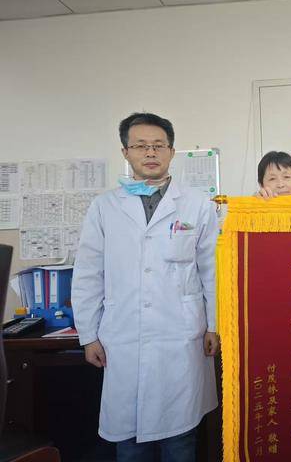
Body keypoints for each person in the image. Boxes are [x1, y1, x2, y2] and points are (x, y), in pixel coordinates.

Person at [71, 112, 219, 462]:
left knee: (180, 441)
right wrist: (88, 335)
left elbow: (211, 270)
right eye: (140, 146)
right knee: (129, 443)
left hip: (181, 336)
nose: (150, 152)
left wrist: (214, 325)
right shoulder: (104, 207)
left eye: (158, 145)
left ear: (171, 152)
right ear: (125, 152)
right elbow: (89, 274)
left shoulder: (197, 204)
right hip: (123, 336)